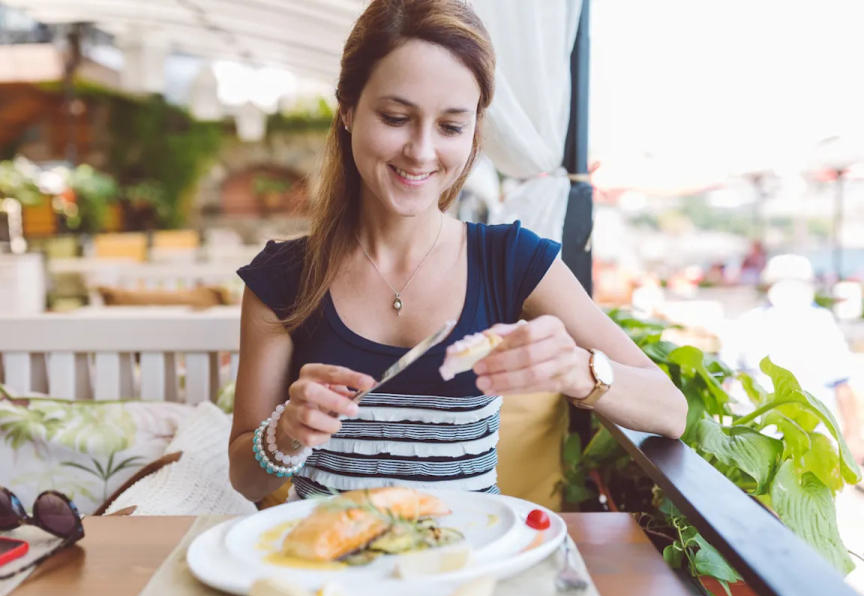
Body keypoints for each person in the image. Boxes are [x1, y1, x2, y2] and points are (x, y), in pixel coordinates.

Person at [229, 0, 687, 503]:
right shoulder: (283, 278)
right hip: (327, 577)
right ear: (348, 109)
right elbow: (246, 480)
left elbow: (670, 410)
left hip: (469, 571)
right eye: (396, 117)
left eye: (451, 127)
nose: (422, 151)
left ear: (474, 131)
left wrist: (578, 370)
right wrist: (286, 432)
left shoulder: (511, 260)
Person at [720, 253, 864, 462]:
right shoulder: (820, 322)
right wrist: (852, 435)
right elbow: (842, 385)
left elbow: (724, 379)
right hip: (779, 440)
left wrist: (853, 435)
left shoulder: (821, 322)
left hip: (771, 440)